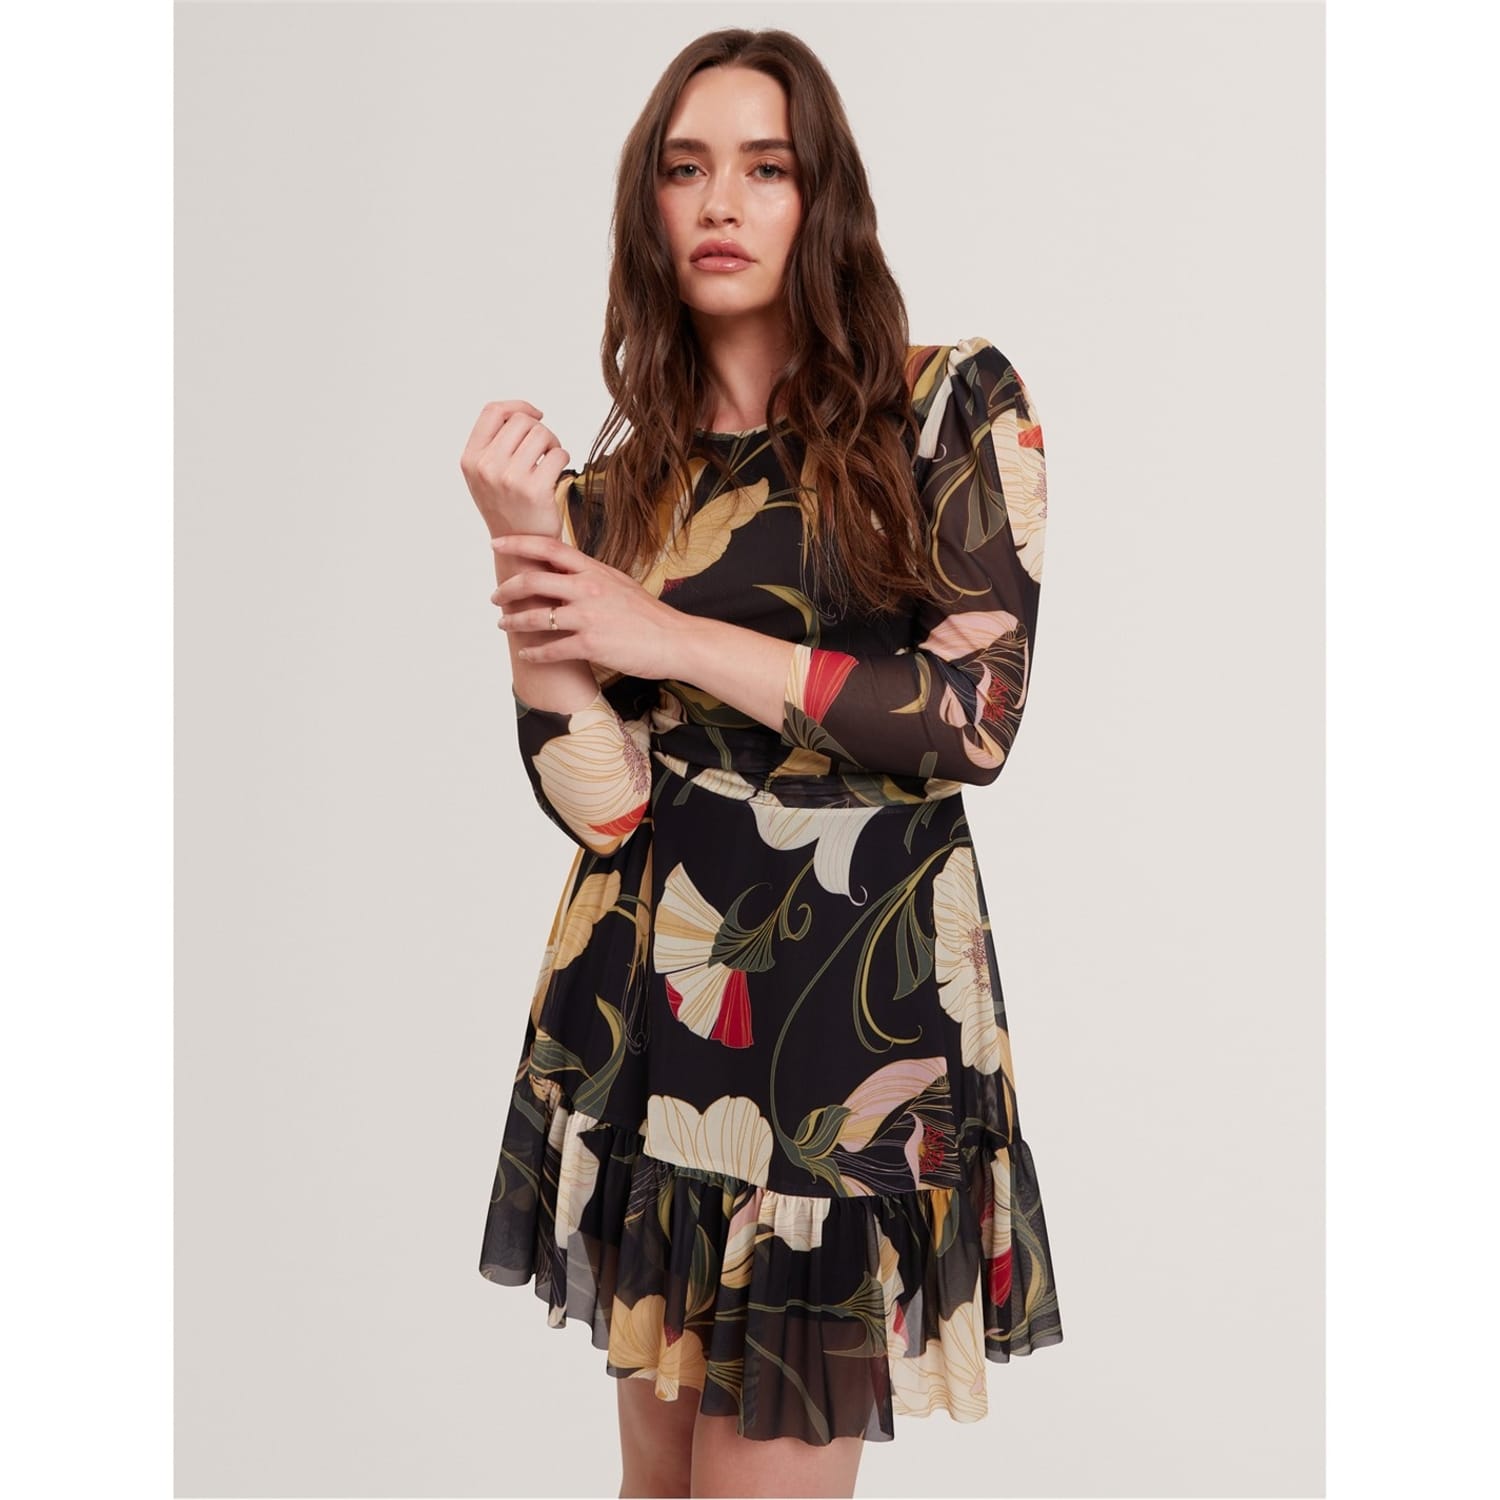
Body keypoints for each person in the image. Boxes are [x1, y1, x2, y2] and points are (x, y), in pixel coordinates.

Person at [459, 27, 1062, 1500]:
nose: (721, 202)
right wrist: (531, 555)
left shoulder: (949, 403)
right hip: (652, 1027)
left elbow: (971, 714)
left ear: (821, 198)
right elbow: (605, 811)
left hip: (848, 1042)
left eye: (765, 168)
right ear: (648, 209)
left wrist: (662, 633)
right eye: (686, 170)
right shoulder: (620, 491)